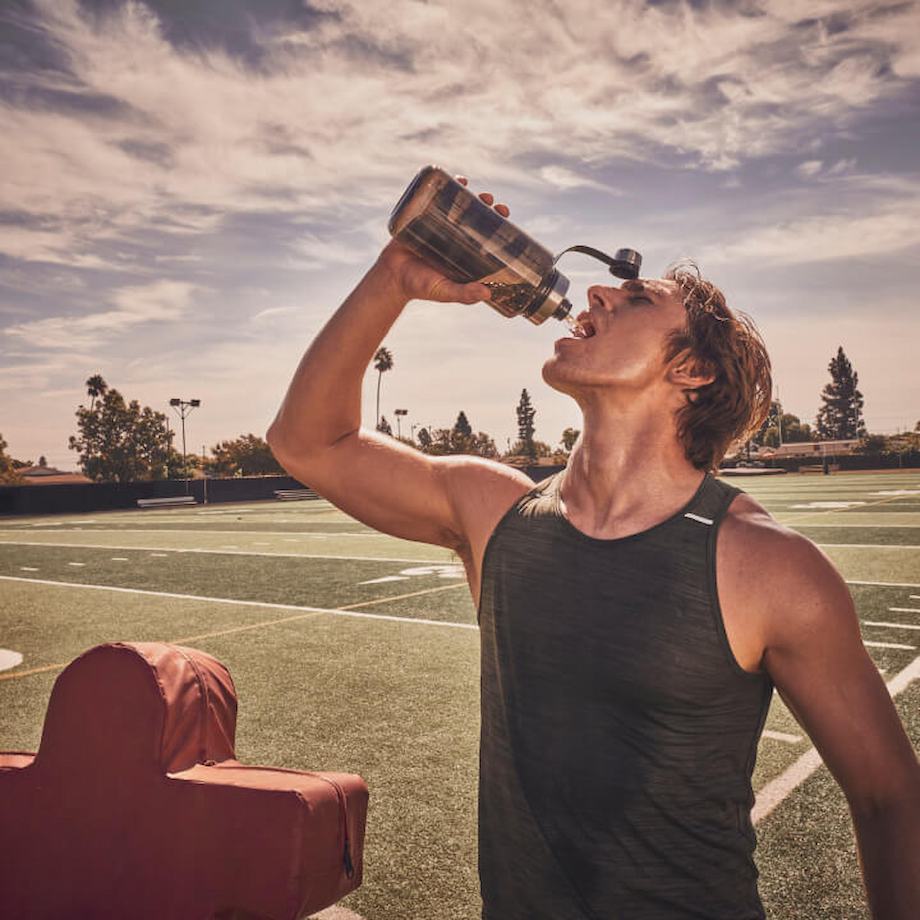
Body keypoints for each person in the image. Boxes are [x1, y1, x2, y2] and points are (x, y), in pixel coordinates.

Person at [267, 176, 920, 919]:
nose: (596, 296)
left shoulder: (768, 566)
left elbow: (889, 795)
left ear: (692, 368)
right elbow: (306, 441)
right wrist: (395, 279)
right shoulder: (494, 511)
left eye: (636, 299)